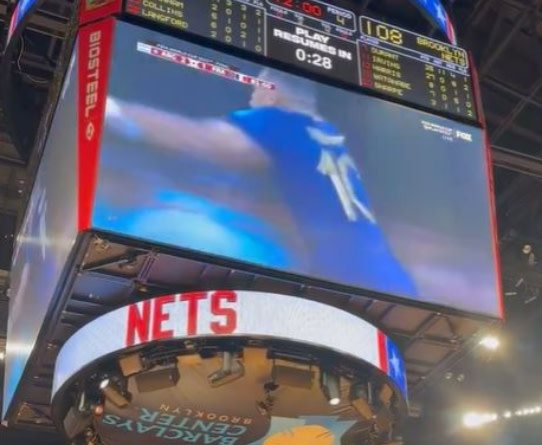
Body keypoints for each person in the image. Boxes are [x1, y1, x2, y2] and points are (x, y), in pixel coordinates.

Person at [101, 67, 416, 297]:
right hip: (390, 280)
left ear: (272, 91)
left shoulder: (278, 121)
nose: (252, 96)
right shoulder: (328, 133)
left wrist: (113, 110)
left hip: (343, 281)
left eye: (256, 89)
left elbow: (203, 141)